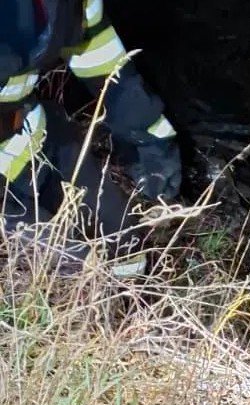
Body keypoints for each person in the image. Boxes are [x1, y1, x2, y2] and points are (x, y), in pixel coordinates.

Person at [2, 0, 181, 242]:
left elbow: (99, 54)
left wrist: (148, 136)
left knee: (125, 249)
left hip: (31, 137)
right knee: (70, 264)